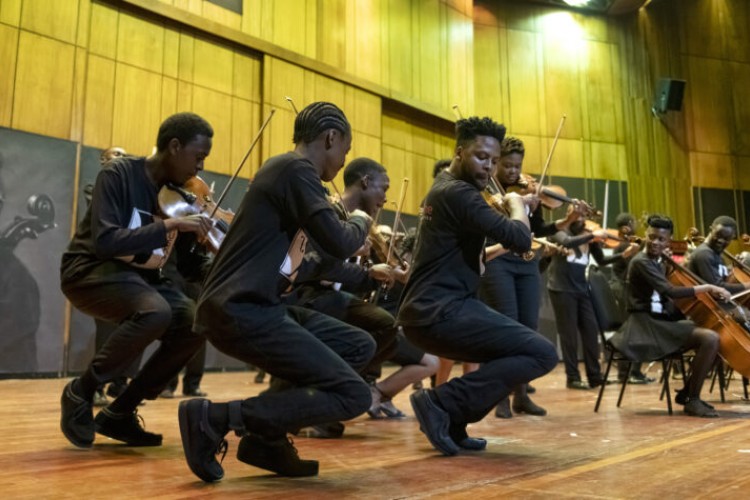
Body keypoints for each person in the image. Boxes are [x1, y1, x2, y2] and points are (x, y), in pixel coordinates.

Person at [178, 102, 376, 481]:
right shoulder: (295, 170)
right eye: (344, 153)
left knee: (359, 345)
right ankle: (216, 417)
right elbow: (338, 242)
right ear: (330, 138)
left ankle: (266, 439)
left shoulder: (289, 173)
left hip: (262, 304)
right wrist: (362, 218)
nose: (341, 163)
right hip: (240, 308)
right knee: (354, 396)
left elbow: (315, 260)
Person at [397, 116, 558, 456]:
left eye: (494, 161)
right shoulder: (460, 194)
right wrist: (516, 205)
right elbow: (519, 239)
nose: (489, 167)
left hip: (433, 310)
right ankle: (440, 402)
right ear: (459, 153)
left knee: (519, 350)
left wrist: (519, 207)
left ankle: (454, 419)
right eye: (481, 157)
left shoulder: (445, 188)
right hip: (438, 312)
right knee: (541, 352)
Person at [59, 112, 215, 448]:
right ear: (174, 147)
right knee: (155, 311)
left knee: (194, 322)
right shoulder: (118, 174)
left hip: (141, 279)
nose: (200, 168)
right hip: (89, 269)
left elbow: (188, 266)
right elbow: (106, 240)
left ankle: (121, 412)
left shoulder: (182, 198)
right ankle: (80, 392)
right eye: (198, 157)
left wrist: (218, 264)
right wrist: (169, 226)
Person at [480, 136, 581, 418]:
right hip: (499, 262)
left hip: (526, 263)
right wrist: (509, 206)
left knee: (528, 329)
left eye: (517, 166)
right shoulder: (486, 192)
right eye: (508, 166)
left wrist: (565, 221)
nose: (514, 172)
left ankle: (521, 395)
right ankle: (499, 396)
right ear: (497, 162)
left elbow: (540, 231)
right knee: (506, 328)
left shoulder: (527, 192)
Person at [610, 214, 730, 417]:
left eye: (661, 239)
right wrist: (708, 287)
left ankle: (687, 393)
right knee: (710, 338)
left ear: (669, 240)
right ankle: (692, 399)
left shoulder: (655, 260)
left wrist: (665, 265)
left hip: (659, 321)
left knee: (717, 334)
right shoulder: (641, 261)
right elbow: (670, 292)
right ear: (646, 235)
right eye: (652, 237)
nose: (655, 242)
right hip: (645, 325)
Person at [82, 146, 142, 407]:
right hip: (104, 268)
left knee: (139, 327)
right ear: (103, 162)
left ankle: (122, 385)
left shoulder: (133, 193)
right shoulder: (94, 188)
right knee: (106, 330)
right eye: (114, 157)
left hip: (130, 268)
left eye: (123, 156)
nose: (119, 160)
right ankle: (95, 386)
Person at [546, 207, 624, 390]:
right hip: (561, 288)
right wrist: (592, 236)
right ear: (569, 216)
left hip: (582, 289)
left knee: (591, 330)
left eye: (584, 217)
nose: (582, 220)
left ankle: (595, 376)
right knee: (569, 335)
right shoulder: (559, 230)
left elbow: (602, 260)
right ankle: (572, 378)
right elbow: (567, 242)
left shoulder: (588, 235)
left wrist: (624, 255)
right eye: (578, 216)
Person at [609, 212, 653, 385]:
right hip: (622, 289)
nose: (636, 226)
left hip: (623, 289)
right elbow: (636, 269)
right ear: (626, 226)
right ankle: (629, 373)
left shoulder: (626, 245)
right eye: (634, 222)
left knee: (632, 330)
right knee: (631, 331)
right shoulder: (624, 247)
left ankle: (631, 372)